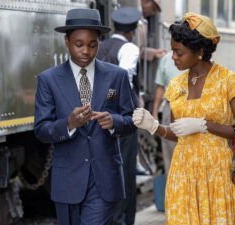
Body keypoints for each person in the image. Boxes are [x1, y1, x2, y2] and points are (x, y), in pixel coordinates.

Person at [133, 13, 235, 224]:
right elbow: (177, 133)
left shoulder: (229, 81)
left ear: (200, 51)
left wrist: (204, 125)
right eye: (172, 51)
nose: (173, 57)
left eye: (179, 53)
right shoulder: (176, 85)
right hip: (183, 171)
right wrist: (154, 126)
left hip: (218, 172)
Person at [34, 8, 136, 225]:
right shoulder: (48, 80)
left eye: (92, 44)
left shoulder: (116, 76)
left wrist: (114, 122)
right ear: (66, 41)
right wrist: (69, 124)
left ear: (99, 42)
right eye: (79, 44)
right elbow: (41, 130)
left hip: (104, 179)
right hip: (67, 180)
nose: (86, 51)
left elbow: (131, 120)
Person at [96, 7, 141, 225]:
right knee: (124, 171)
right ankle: (122, 220)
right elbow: (123, 81)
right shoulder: (129, 48)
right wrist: (110, 100)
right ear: (132, 31)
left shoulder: (99, 46)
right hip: (122, 118)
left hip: (96, 117)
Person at [152, 51, 186, 174]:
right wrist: (155, 112)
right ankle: (173, 188)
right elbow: (160, 87)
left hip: (192, 108)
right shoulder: (166, 59)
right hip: (170, 107)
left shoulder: (196, 57)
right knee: (170, 152)